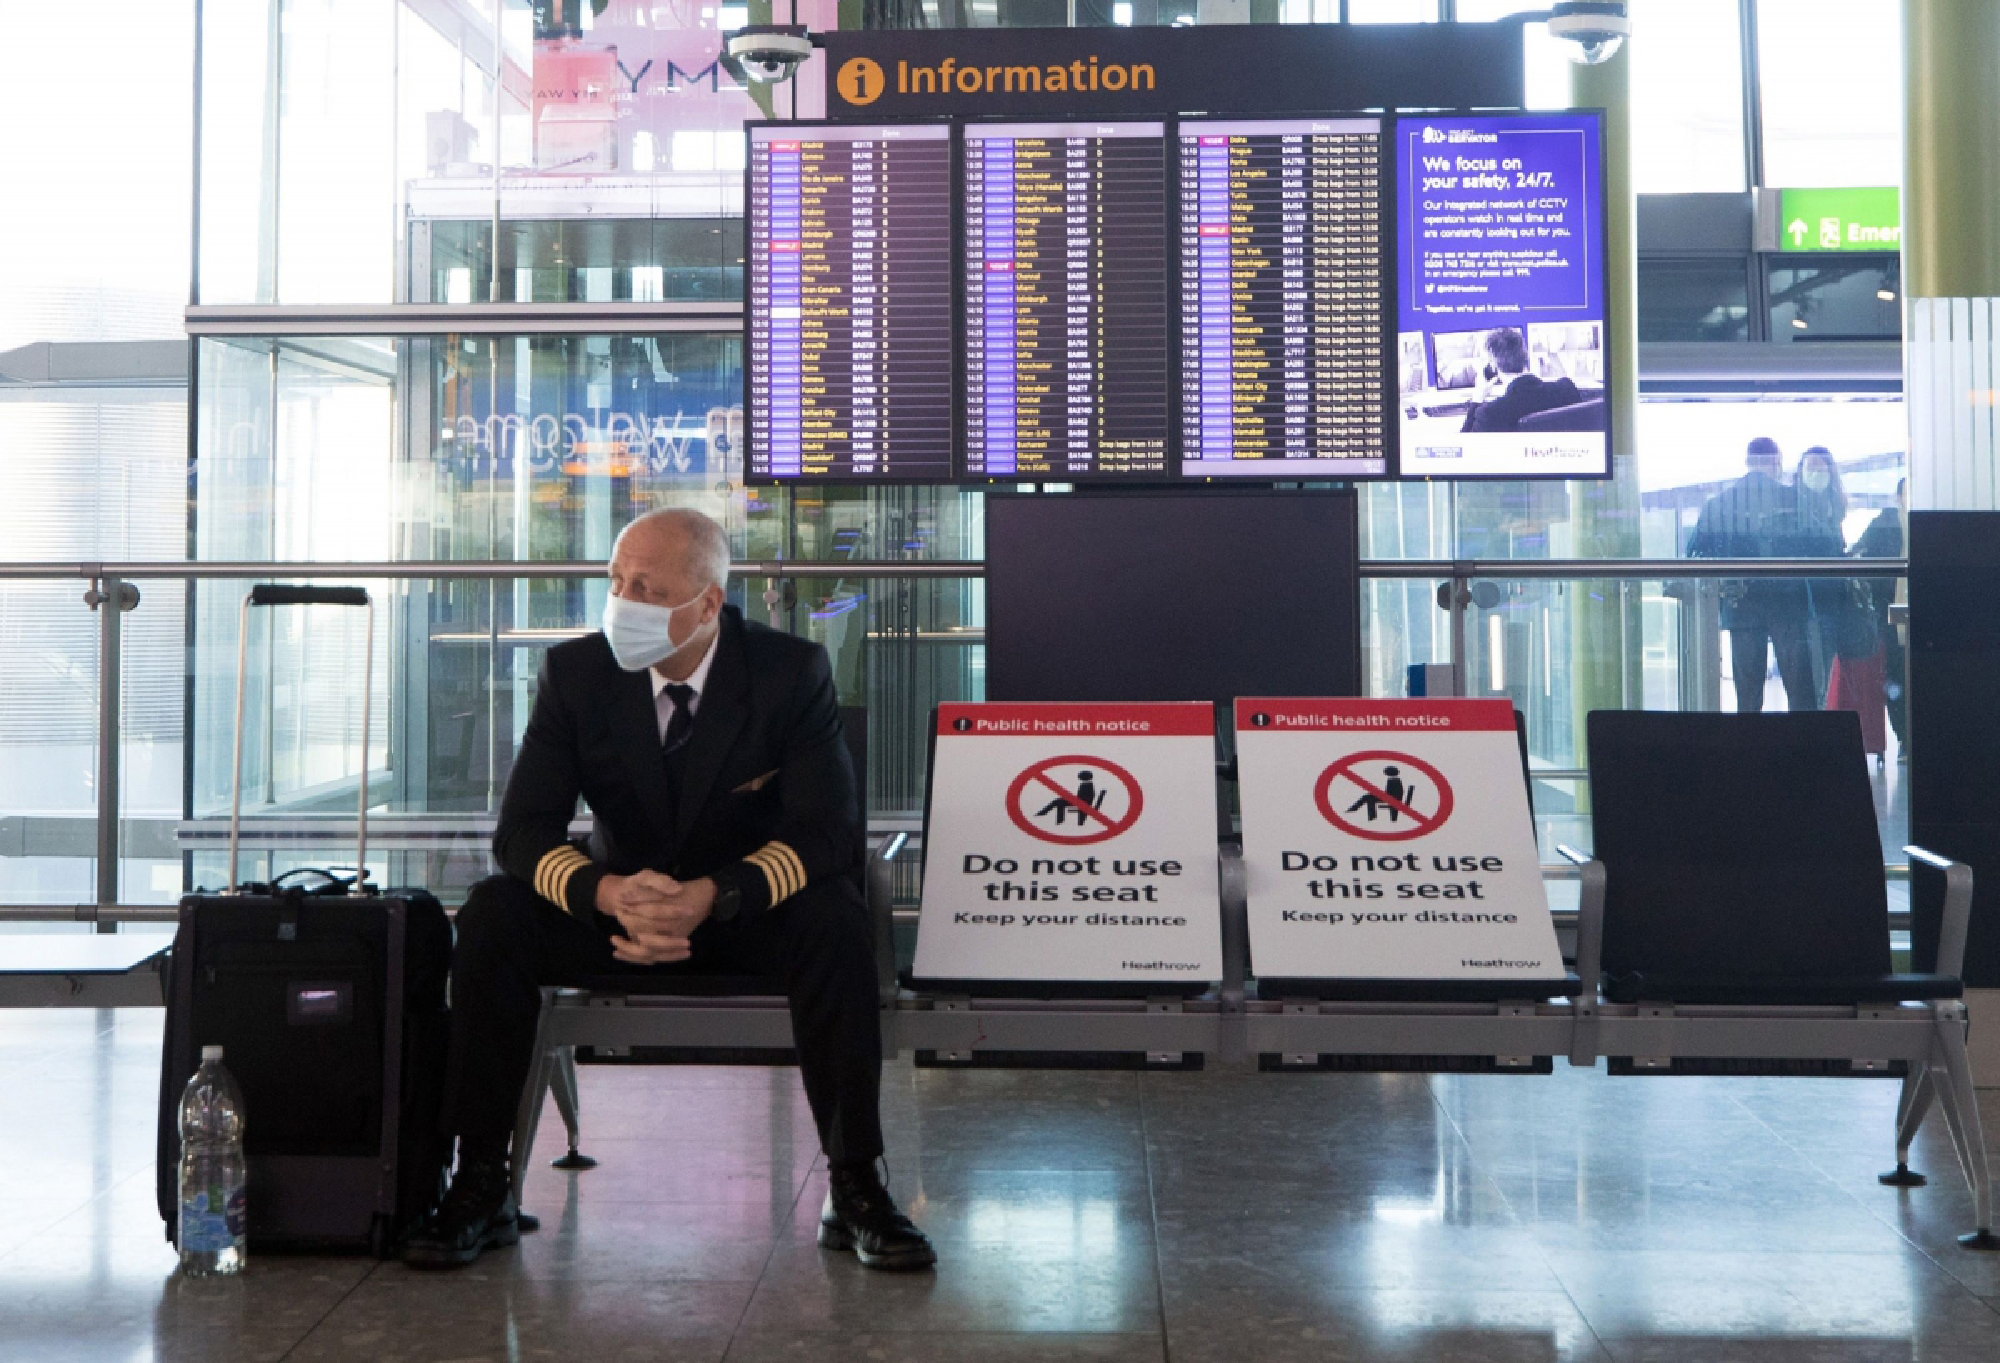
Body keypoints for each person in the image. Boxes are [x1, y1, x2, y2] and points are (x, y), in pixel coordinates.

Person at [404, 508, 935, 1272]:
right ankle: (481, 1182)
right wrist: (606, 892)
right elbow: (521, 833)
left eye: (645, 587)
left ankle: (855, 1184)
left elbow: (827, 835)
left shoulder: (790, 673)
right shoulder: (577, 675)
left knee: (837, 919)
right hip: (619, 911)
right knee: (493, 916)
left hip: (743, 914)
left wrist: (714, 895)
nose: (622, 600)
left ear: (709, 602)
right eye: (616, 579)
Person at [1687, 437, 1823, 713]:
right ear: (1776, 463)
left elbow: (1694, 551)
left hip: (1742, 604)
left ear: (1747, 462)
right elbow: (1822, 546)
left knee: (1748, 698)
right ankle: (1804, 750)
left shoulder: (1720, 504)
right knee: (1801, 694)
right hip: (1789, 605)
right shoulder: (1796, 501)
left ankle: (1748, 750)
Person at [1849, 477, 1909, 757]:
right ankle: (1905, 739)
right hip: (1893, 611)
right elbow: (1861, 553)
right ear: (1898, 496)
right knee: (1897, 673)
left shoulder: (1931, 523)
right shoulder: (1886, 521)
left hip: (1921, 611)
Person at [1792, 446, 1856, 705]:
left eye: (1822, 468)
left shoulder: (1833, 509)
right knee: (1810, 679)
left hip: (1830, 603)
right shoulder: (1797, 508)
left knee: (1824, 675)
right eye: (1812, 468)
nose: (1817, 474)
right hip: (1805, 603)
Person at [1461, 327, 1581, 434]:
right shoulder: (1567, 389)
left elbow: (1464, 451)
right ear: (1525, 355)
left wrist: (1476, 400)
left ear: (1492, 364)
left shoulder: (1489, 413)